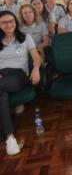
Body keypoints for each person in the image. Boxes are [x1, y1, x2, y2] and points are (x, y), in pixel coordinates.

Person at [0, 11, 41, 155]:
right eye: (4, 22)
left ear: (16, 22)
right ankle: (10, 137)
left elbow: (36, 57)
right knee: (2, 97)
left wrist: (36, 69)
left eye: (11, 20)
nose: (8, 24)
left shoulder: (25, 38)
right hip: (2, 75)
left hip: (19, 75)